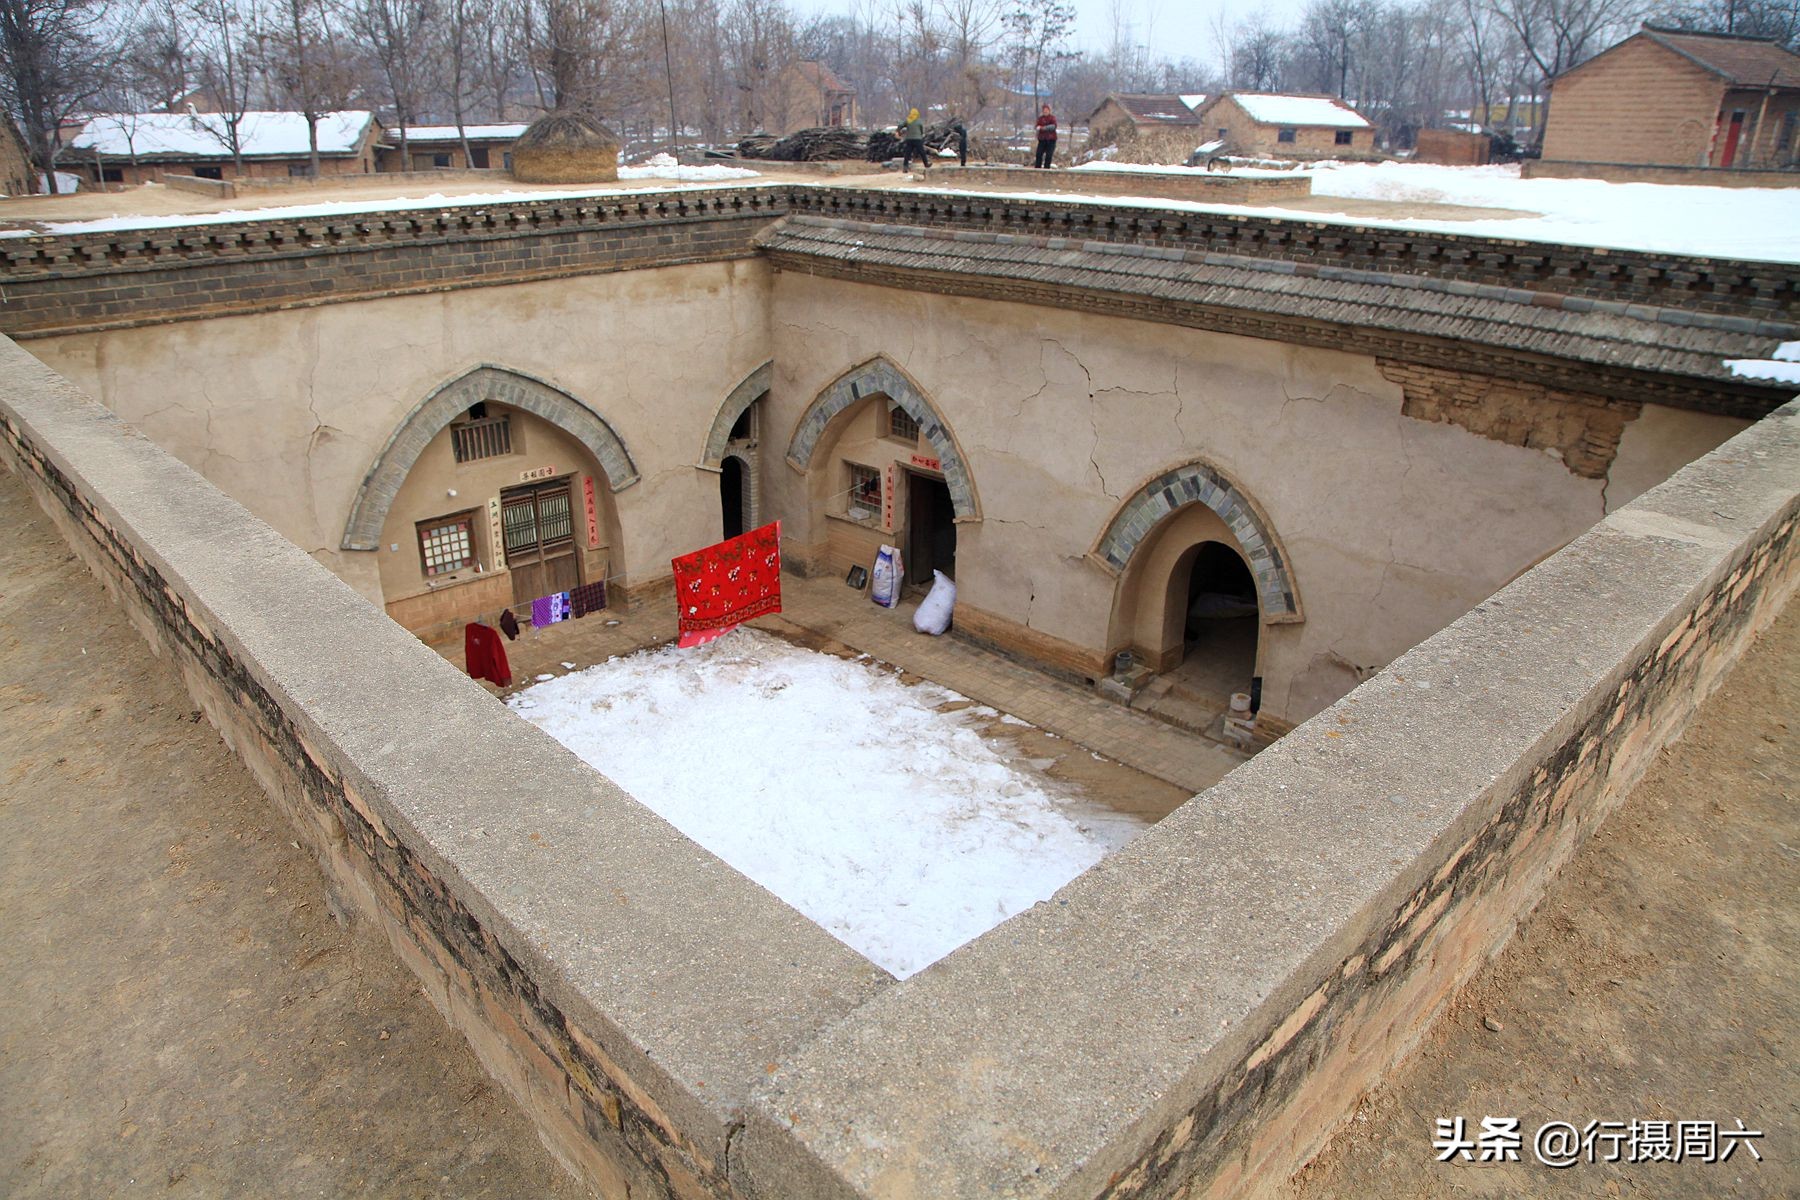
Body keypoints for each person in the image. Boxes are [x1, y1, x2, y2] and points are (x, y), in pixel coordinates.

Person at [1034, 103, 1057, 168]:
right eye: (1044, 110)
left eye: (1047, 110)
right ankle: (1037, 169)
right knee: (1039, 154)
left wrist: (1043, 128)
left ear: (1049, 111)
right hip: (1042, 139)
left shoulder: (1052, 118)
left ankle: (1046, 169)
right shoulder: (1040, 119)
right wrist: (1038, 128)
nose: (1045, 111)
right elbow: (1036, 126)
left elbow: (1053, 126)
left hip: (1051, 140)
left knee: (1049, 155)